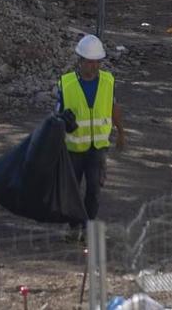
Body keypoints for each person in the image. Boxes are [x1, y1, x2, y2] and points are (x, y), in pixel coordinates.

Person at [59, 34, 120, 224]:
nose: (93, 66)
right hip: (74, 149)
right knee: (73, 191)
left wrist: (122, 132)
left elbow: (114, 107)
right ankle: (74, 227)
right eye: (89, 62)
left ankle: (88, 226)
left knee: (94, 189)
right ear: (80, 61)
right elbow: (57, 114)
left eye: (97, 62)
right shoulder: (66, 84)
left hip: (98, 147)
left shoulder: (108, 81)